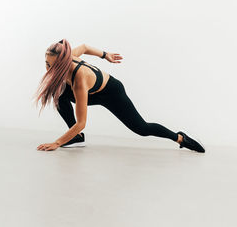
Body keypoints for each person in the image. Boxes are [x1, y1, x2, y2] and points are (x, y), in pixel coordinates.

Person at [33, 39, 205, 153]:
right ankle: (76, 139)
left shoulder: (80, 79)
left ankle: (180, 138)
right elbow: (84, 47)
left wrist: (56, 143)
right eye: (46, 64)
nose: (48, 69)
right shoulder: (67, 57)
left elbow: (81, 123)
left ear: (63, 64)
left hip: (112, 93)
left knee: (142, 128)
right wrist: (104, 55)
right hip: (92, 91)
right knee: (58, 92)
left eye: (52, 66)